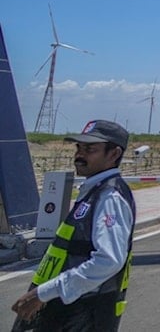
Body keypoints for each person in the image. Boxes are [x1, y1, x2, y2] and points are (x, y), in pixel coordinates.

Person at [11, 120, 135, 331]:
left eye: (90, 149)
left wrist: (43, 293)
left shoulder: (109, 197)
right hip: (69, 312)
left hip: (84, 314)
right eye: (78, 147)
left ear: (114, 154)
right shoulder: (95, 191)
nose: (80, 154)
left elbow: (108, 261)